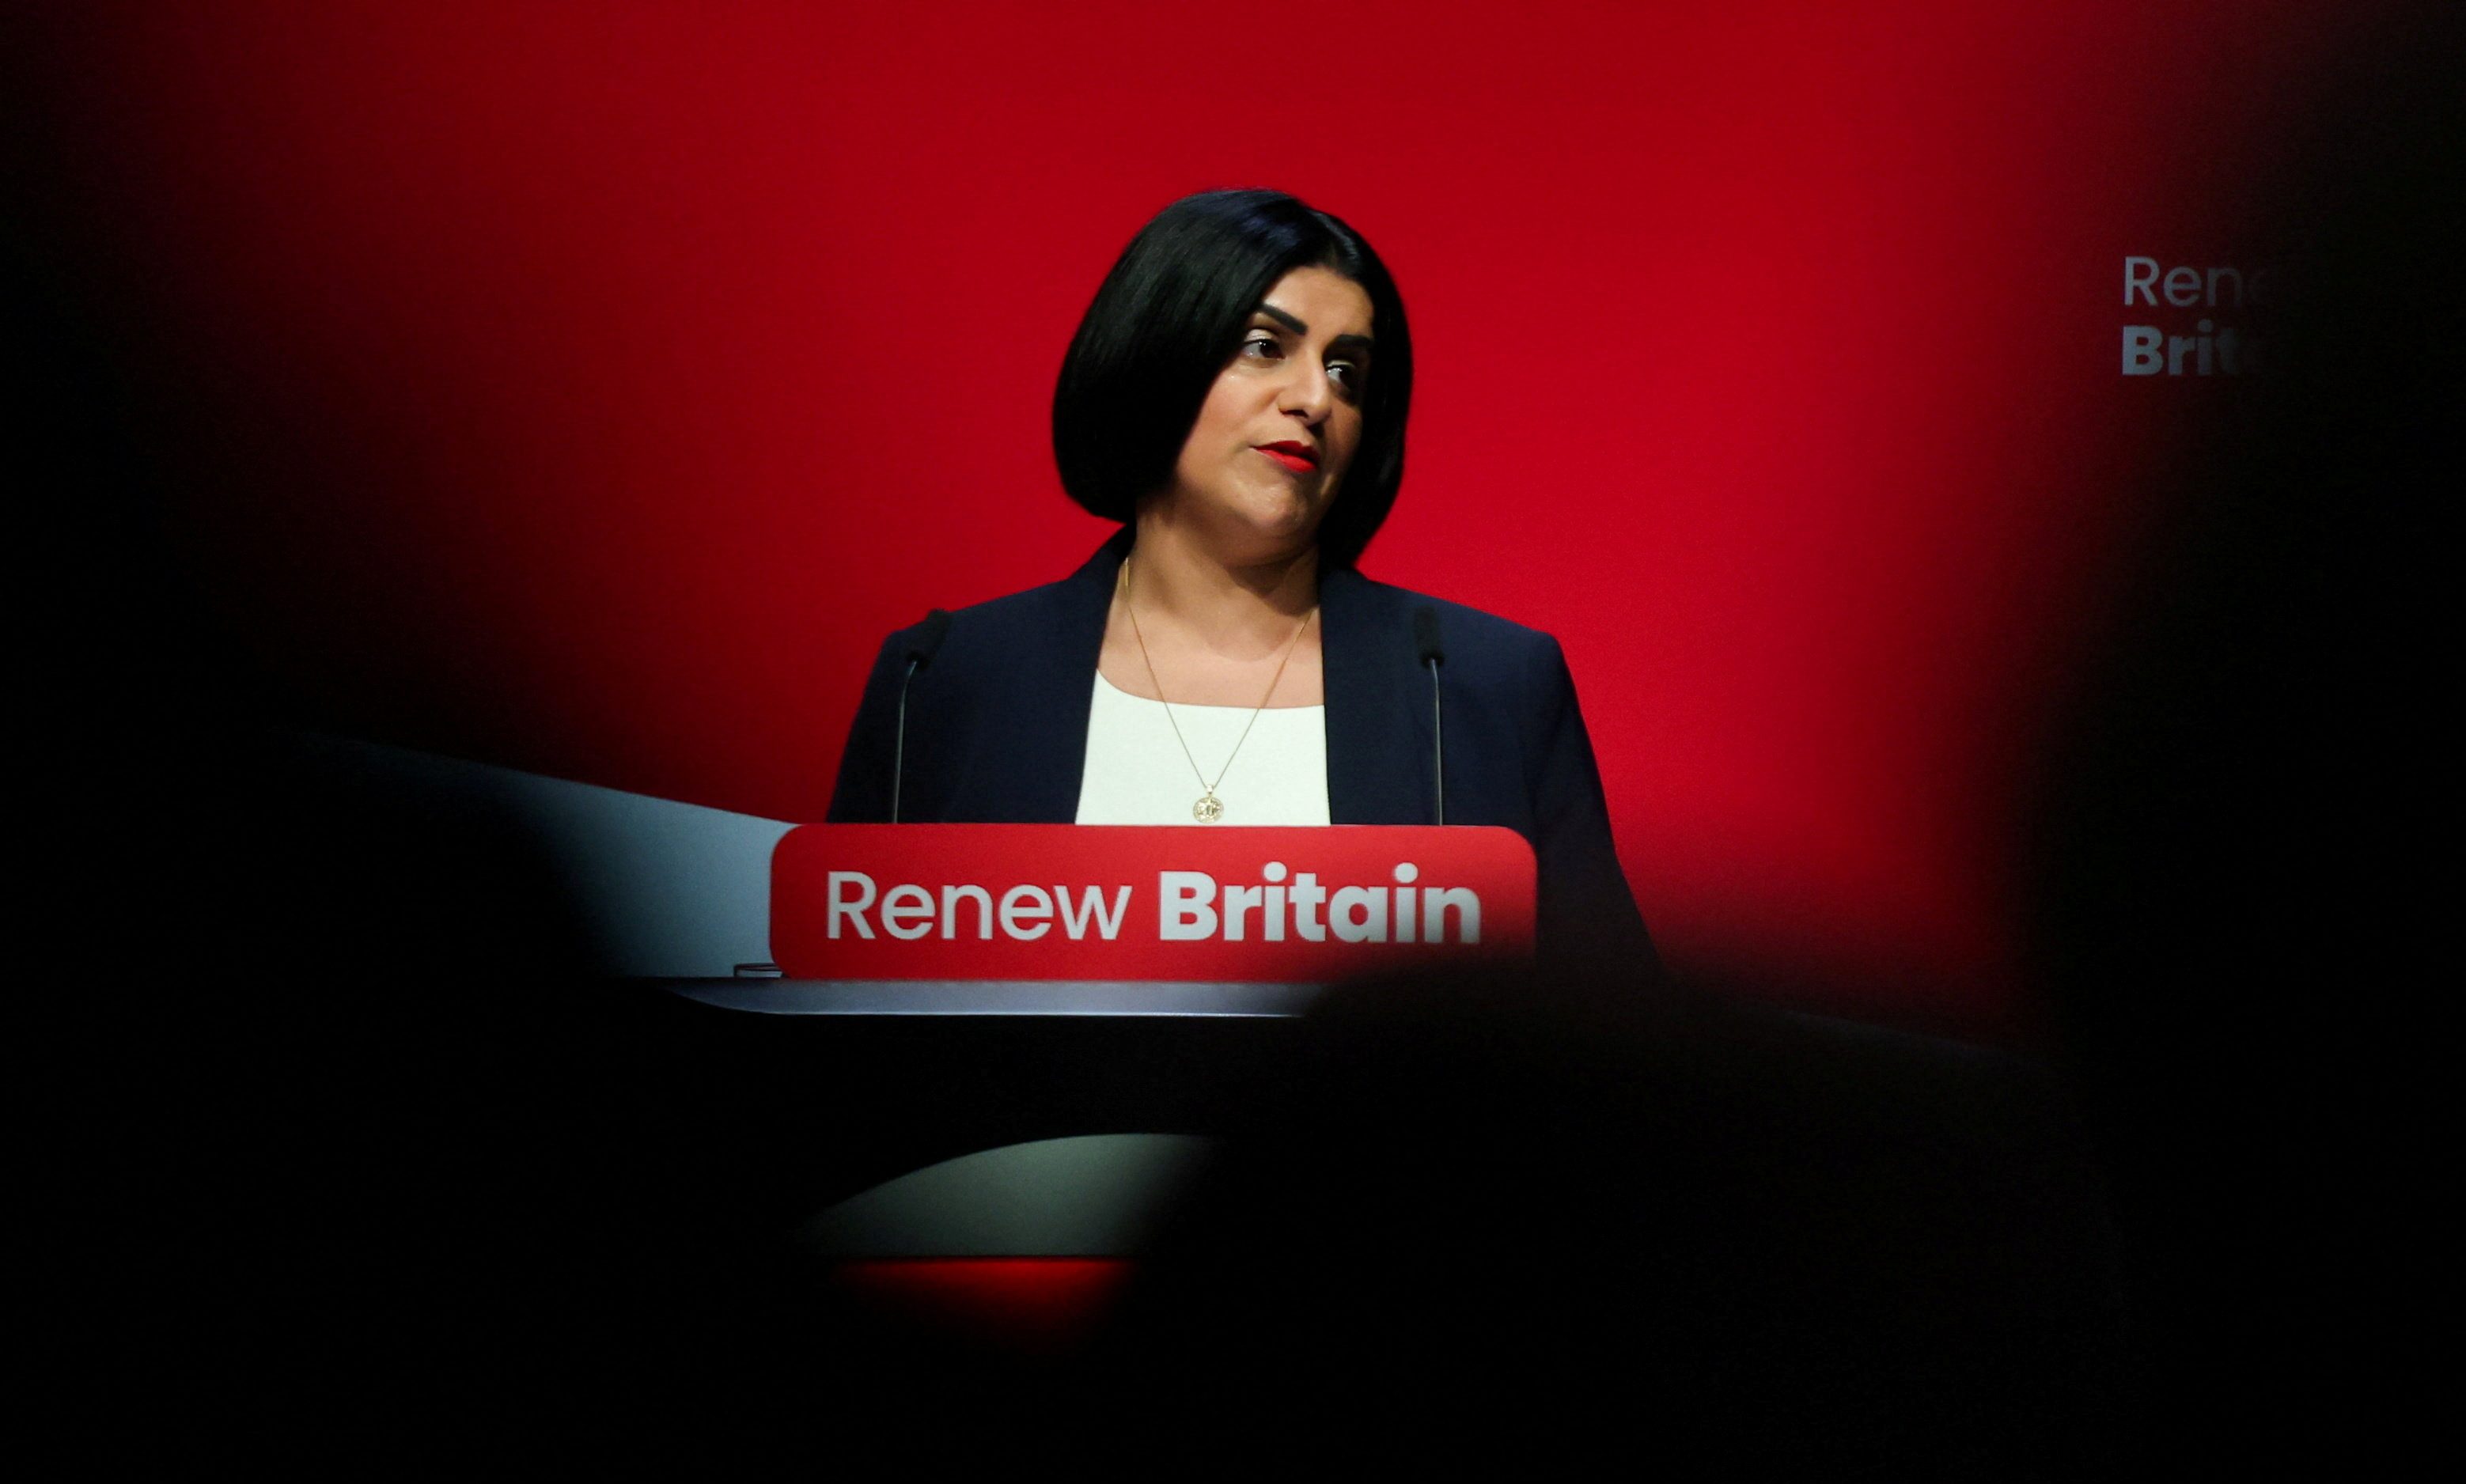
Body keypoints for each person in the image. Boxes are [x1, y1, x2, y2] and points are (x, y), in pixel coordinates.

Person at [828, 188, 1654, 975]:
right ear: (1156, 357)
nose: (1313, 399)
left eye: (1346, 373)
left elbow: (1611, 1040)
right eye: (1266, 346)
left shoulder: (1488, 686)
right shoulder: (939, 680)